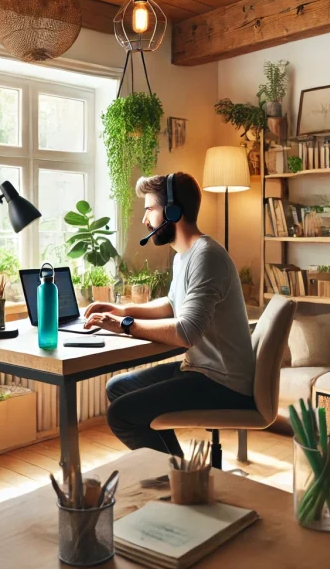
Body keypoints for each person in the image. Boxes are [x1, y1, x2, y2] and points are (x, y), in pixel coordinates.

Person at [83, 172, 255, 456]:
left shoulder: (207, 256)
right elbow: (173, 305)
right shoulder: (184, 256)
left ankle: (176, 473)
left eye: (150, 209)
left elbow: (186, 332)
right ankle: (178, 467)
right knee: (117, 387)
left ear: (173, 211)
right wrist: (123, 310)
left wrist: (125, 324)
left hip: (224, 382)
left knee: (121, 414)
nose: (145, 219)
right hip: (200, 370)